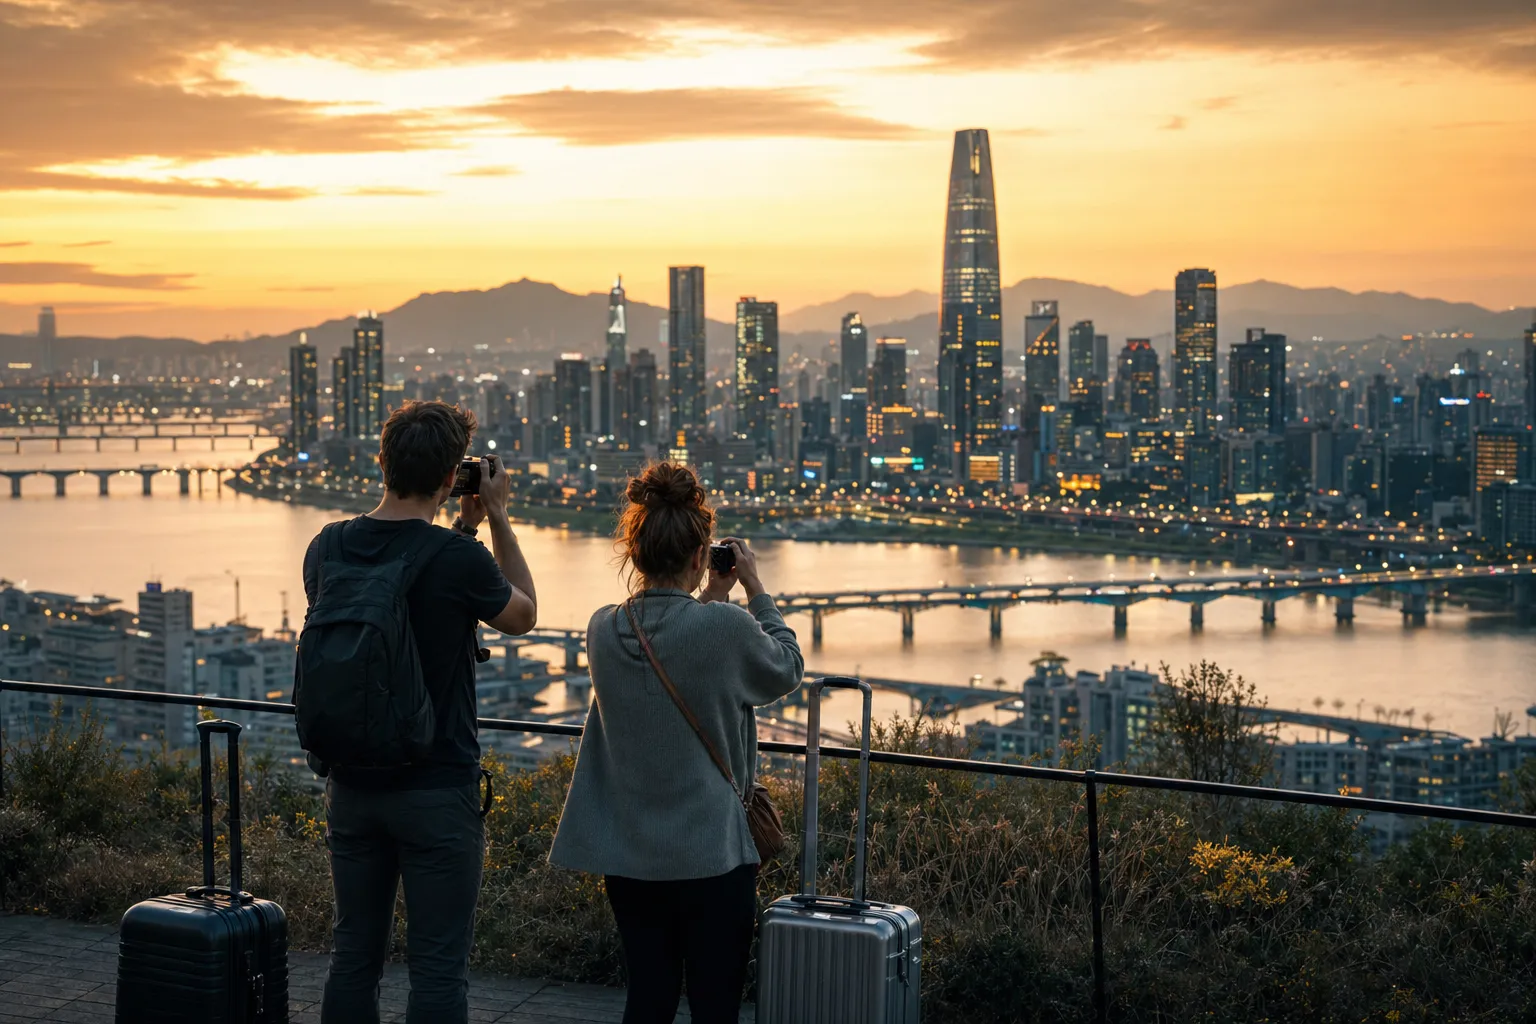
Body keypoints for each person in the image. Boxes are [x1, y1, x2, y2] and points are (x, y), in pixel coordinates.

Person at [305, 400, 537, 1024]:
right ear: (448, 478)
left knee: (352, 956)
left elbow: (395, 601)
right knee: (437, 968)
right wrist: (498, 519)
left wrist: (459, 533)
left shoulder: (327, 547)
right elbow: (522, 614)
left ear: (383, 464)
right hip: (437, 787)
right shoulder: (457, 560)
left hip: (351, 785)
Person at [550, 461, 803, 1024]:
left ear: (634, 555)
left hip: (631, 853)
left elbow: (673, 642)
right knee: (715, 1002)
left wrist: (708, 593)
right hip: (711, 854)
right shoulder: (726, 629)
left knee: (649, 996)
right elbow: (786, 667)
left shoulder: (603, 628)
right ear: (698, 555)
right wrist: (755, 590)